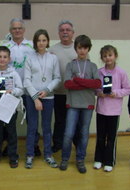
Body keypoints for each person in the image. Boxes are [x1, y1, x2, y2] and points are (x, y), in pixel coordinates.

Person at [59, 35, 101, 173]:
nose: (82, 51)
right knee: (68, 134)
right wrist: (86, 84)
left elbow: (97, 83)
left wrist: (77, 80)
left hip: (88, 105)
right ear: (76, 48)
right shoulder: (70, 65)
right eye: (79, 48)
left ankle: (80, 160)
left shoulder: (93, 66)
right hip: (72, 104)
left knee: (83, 134)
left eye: (85, 48)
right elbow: (68, 84)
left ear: (88, 49)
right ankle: (64, 158)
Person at [3, 18, 41, 156]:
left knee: (32, 120)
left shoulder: (32, 46)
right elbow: (1, 64)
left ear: (24, 30)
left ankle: (34, 145)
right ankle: (9, 146)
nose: (17, 30)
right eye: (14, 28)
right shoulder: (5, 47)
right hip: (11, 90)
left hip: (29, 90)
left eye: (19, 28)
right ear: (10, 30)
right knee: (9, 120)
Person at [24, 29, 61, 169]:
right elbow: (26, 80)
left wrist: (47, 90)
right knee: (32, 127)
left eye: (44, 40)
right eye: (39, 40)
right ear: (35, 42)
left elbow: (58, 78)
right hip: (31, 97)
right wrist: (35, 98)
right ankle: (29, 155)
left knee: (46, 127)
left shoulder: (53, 58)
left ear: (47, 42)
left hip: (48, 97)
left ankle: (48, 155)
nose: (41, 43)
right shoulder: (29, 57)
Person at [94, 45, 130, 172]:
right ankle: (98, 159)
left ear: (115, 56)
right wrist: (100, 93)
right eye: (105, 56)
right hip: (101, 109)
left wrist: (115, 93)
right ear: (102, 58)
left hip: (114, 111)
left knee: (111, 138)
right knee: (100, 136)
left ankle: (109, 161)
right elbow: (95, 89)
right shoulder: (99, 72)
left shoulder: (121, 72)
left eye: (110, 55)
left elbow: (128, 89)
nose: (107, 58)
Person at [0, 46, 24, 168]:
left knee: (11, 133)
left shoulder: (14, 74)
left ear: (9, 59)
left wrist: (12, 91)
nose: (2, 59)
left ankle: (13, 156)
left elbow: (21, 89)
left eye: (5, 57)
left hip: (10, 109)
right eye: (0, 56)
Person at [48, 20, 77, 153]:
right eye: (62, 30)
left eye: (68, 30)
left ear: (73, 33)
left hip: (75, 93)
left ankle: (76, 144)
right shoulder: (52, 50)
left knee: (76, 120)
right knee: (59, 120)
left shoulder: (79, 48)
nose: (65, 32)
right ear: (58, 33)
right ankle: (58, 144)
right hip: (58, 92)